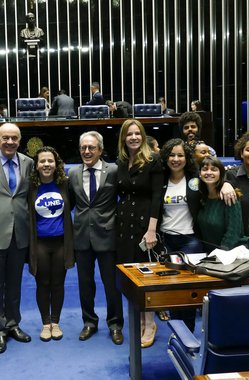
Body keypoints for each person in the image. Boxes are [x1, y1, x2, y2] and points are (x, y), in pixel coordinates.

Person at [0, 123, 34, 354]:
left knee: (14, 284)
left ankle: (13, 324)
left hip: (19, 233)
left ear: (19, 141)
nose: (10, 142)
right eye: (5, 138)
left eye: (14, 138)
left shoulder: (28, 163)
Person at [68, 131, 124, 346]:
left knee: (112, 285)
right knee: (85, 284)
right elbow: (70, 204)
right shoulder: (73, 174)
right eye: (83, 148)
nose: (87, 151)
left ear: (100, 150)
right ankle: (89, 322)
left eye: (91, 147)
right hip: (81, 236)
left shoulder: (114, 171)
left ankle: (115, 324)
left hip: (108, 235)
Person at [115, 119, 163, 348]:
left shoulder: (153, 160)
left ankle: (150, 323)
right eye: (129, 134)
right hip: (124, 225)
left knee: (147, 276)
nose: (133, 137)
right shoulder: (122, 162)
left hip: (145, 224)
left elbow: (156, 196)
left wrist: (152, 229)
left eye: (137, 133)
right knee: (130, 276)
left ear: (143, 136)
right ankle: (139, 319)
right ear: (123, 138)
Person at [28, 146, 74, 342]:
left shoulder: (65, 185)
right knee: (43, 282)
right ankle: (45, 323)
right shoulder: (30, 187)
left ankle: (55, 322)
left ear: (56, 165)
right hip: (39, 243)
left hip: (62, 242)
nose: (46, 164)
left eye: (50, 161)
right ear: (36, 165)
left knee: (58, 283)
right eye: (42, 161)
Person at [158, 139, 203, 331]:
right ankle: (178, 332)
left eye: (180, 155)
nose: (176, 159)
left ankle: (189, 332)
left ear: (187, 158)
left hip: (190, 240)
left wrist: (225, 185)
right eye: (172, 155)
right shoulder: (160, 180)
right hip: (167, 240)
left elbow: (216, 183)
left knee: (189, 289)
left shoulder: (195, 179)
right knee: (172, 288)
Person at [198, 156, 247, 251]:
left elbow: (233, 233)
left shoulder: (229, 197)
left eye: (213, 169)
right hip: (209, 254)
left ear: (221, 173)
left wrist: (220, 253)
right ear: (200, 174)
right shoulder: (202, 197)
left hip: (228, 254)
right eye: (205, 169)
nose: (209, 172)